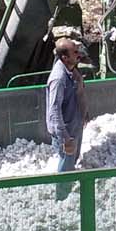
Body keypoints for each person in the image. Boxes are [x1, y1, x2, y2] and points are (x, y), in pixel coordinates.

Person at [44, 36, 87, 172]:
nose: (79, 54)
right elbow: (55, 110)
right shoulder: (58, 79)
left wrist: (83, 114)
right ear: (65, 58)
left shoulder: (69, 70)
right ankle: (62, 192)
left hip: (74, 125)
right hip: (67, 131)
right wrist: (65, 139)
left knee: (72, 160)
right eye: (75, 52)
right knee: (66, 166)